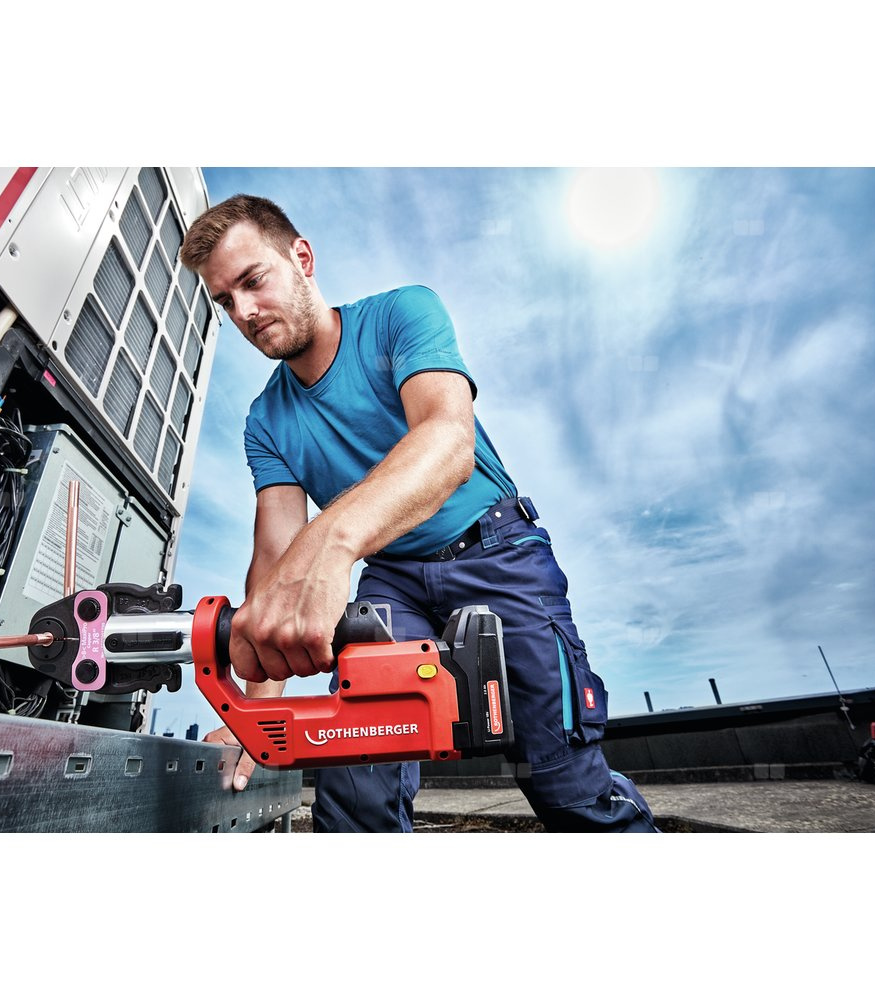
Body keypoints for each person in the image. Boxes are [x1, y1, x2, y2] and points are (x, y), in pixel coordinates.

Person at [179, 193, 658, 833]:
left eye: (252, 281)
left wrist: (332, 538)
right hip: (394, 580)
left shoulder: (403, 314)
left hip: (494, 550)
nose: (243, 312)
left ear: (302, 258)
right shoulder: (266, 421)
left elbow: (448, 441)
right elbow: (275, 562)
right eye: (224, 301)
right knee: (356, 780)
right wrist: (256, 718)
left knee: (567, 786)